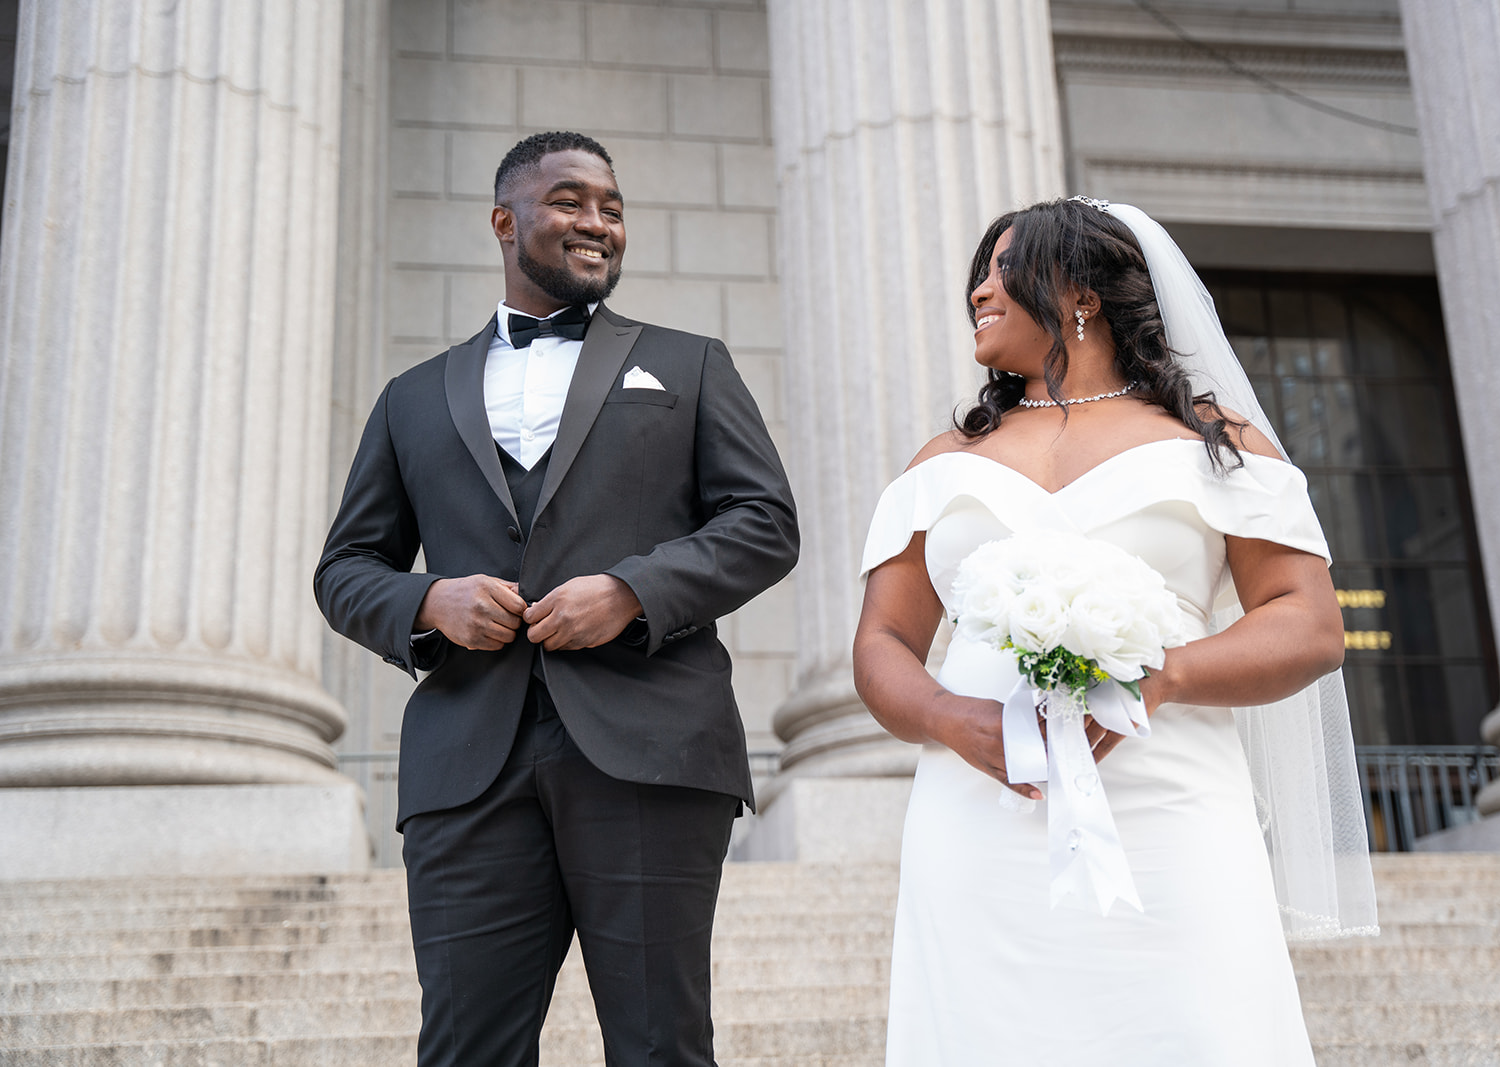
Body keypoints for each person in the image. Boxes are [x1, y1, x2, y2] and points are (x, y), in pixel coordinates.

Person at [852, 196, 1377, 1064]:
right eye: (977, 274)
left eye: (1001, 270)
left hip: (1168, 803)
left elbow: (1311, 624)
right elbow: (882, 645)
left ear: (1080, 291)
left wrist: (1164, 673)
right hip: (980, 811)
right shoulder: (943, 461)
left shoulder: (1212, 440)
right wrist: (950, 718)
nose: (977, 291)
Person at [315, 130, 799, 1066]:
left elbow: (764, 522)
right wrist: (428, 602)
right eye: (571, 202)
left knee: (661, 1045)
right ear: (505, 222)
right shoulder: (410, 397)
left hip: (651, 751)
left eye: (612, 208)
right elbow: (345, 568)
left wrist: (632, 588)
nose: (598, 223)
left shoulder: (690, 363)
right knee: (464, 1051)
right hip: (468, 768)